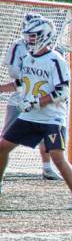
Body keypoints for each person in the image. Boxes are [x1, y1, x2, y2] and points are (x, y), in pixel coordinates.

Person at [0, 16, 72, 209]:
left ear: (44, 36)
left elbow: (62, 91)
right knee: (2, 147)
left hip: (51, 118)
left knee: (57, 157)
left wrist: (37, 102)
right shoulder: (28, 58)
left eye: (33, 36)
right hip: (30, 115)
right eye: (28, 36)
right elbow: (20, 83)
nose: (29, 40)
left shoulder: (56, 60)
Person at [2, 13, 61, 180]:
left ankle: (47, 167)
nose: (29, 35)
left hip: (41, 100)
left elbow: (60, 86)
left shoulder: (51, 52)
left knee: (47, 136)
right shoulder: (19, 46)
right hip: (20, 98)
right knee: (7, 137)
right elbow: (15, 74)